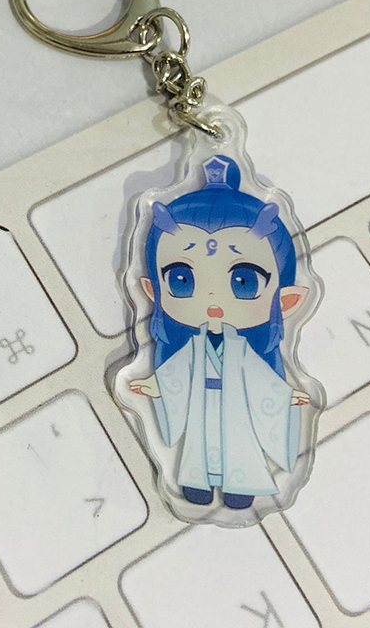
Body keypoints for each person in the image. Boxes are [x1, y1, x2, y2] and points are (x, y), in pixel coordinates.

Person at [130, 155, 311, 509]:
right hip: (200, 407)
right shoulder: (193, 347)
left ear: (286, 300)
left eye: (244, 282)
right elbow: (174, 374)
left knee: (237, 447)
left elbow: (264, 381)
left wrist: (285, 395)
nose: (212, 299)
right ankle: (197, 485)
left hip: (237, 410)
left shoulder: (244, 351)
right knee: (198, 450)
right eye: (182, 280)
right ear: (154, 290)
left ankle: (238, 488)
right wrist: (154, 385)